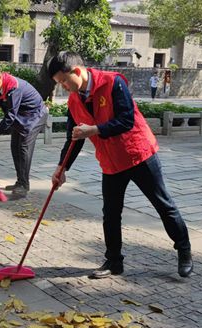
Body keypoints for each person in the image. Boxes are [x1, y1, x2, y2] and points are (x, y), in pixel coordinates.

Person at [47, 51, 193, 280]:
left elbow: (126, 120)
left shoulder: (112, 82)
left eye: (64, 80)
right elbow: (73, 138)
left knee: (163, 204)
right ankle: (114, 261)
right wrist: (61, 168)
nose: (63, 86)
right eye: (59, 83)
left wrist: (95, 130)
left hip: (138, 154)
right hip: (111, 161)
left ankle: (184, 249)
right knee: (111, 214)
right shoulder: (74, 100)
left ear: (76, 71)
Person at [0, 67, 48, 200]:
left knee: (23, 148)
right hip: (23, 117)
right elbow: (2, 102)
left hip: (35, 117)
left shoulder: (14, 87)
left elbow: (10, 115)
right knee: (15, 147)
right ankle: (20, 181)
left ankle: (24, 185)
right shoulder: (3, 85)